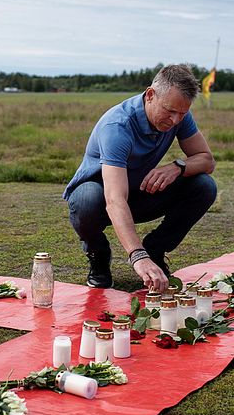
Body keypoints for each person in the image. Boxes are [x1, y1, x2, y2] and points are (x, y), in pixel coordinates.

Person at [63, 65, 217, 292]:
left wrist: (177, 167)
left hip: (140, 192)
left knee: (204, 186)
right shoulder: (117, 126)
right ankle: (98, 255)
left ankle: (155, 248)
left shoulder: (179, 115)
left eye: (182, 114)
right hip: (102, 199)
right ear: (150, 95)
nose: (175, 120)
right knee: (87, 199)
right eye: (170, 111)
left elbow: (206, 160)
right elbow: (114, 199)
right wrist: (137, 256)